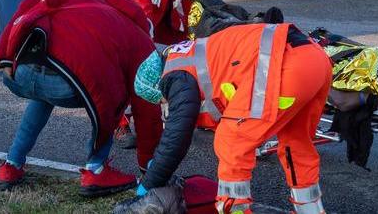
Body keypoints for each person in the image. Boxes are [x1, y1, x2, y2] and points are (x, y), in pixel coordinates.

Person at [117, 22, 333, 214]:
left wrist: (148, 185)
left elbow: (176, 137)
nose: (165, 104)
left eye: (162, 101)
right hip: (315, 59)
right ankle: (311, 209)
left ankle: (236, 209)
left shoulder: (175, 75)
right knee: (296, 145)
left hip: (282, 65)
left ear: (158, 87)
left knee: (231, 141)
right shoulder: (186, 55)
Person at [0, 0, 164, 197]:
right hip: (68, 85)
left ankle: (11, 164)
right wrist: (148, 163)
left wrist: (5, 54)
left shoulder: (86, 1)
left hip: (21, 72)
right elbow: (146, 108)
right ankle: (96, 169)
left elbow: (35, 0)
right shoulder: (140, 39)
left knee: (44, 94)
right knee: (116, 93)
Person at [107, 0, 199, 147]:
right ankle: (120, 122)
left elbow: (190, 4)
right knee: (134, 66)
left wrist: (193, 39)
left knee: (184, 58)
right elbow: (141, 16)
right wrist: (152, 54)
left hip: (161, 19)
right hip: (124, 19)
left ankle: (176, 112)